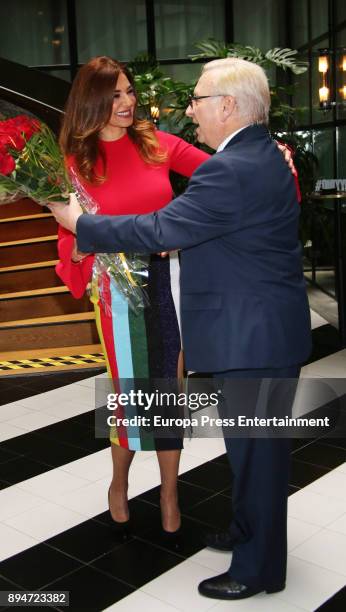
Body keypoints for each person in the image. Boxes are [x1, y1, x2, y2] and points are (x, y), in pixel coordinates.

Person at [51, 57, 310, 600]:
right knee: (247, 450)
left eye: (197, 100)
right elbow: (196, 228)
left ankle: (258, 569)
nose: (188, 110)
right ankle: (245, 531)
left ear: (228, 107)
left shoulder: (230, 167)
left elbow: (165, 226)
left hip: (253, 336)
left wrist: (81, 224)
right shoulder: (260, 155)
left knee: (259, 456)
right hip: (254, 330)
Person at [56, 55, 210, 535]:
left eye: (129, 91)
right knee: (130, 392)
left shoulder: (157, 144)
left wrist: (268, 160)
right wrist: (88, 240)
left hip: (170, 279)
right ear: (93, 100)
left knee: (169, 386)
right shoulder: (71, 166)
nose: (127, 102)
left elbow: (222, 175)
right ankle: (119, 481)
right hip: (116, 290)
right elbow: (71, 241)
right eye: (115, 94)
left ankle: (169, 490)